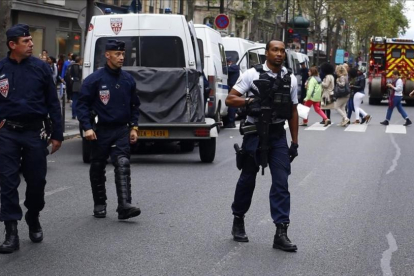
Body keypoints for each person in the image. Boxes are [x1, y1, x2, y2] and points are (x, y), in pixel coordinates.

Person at [225, 40, 299, 252]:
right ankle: (238, 219)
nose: (279, 54)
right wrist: (249, 102)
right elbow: (231, 99)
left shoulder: (290, 79)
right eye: (275, 50)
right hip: (254, 134)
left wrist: (294, 142)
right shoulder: (251, 74)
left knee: (281, 182)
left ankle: (281, 232)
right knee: (247, 179)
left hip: (277, 136)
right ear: (266, 53)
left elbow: (293, 111)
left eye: (282, 51)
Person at [0, 24, 63, 254]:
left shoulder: (41, 68)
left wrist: (57, 134)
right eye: (26, 41)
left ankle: (33, 216)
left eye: (31, 40)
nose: (32, 44)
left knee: (36, 182)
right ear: (12, 45)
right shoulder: (1, 69)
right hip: (7, 133)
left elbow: (53, 103)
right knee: (7, 183)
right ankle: (11, 231)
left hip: (35, 132)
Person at [77, 39, 142, 220]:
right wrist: (87, 128)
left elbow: (135, 106)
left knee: (122, 163)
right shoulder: (94, 80)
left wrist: (134, 128)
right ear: (108, 55)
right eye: (117, 54)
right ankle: (99, 203)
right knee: (98, 166)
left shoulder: (128, 80)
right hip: (100, 130)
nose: (121, 58)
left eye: (123, 54)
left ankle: (124, 206)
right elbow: (81, 105)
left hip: (121, 129)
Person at [224, 57, 240, 128]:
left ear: (229, 62)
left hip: (233, 88)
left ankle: (231, 122)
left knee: (232, 105)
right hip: (232, 88)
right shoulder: (234, 67)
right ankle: (230, 121)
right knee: (231, 105)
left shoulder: (234, 67)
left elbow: (225, 70)